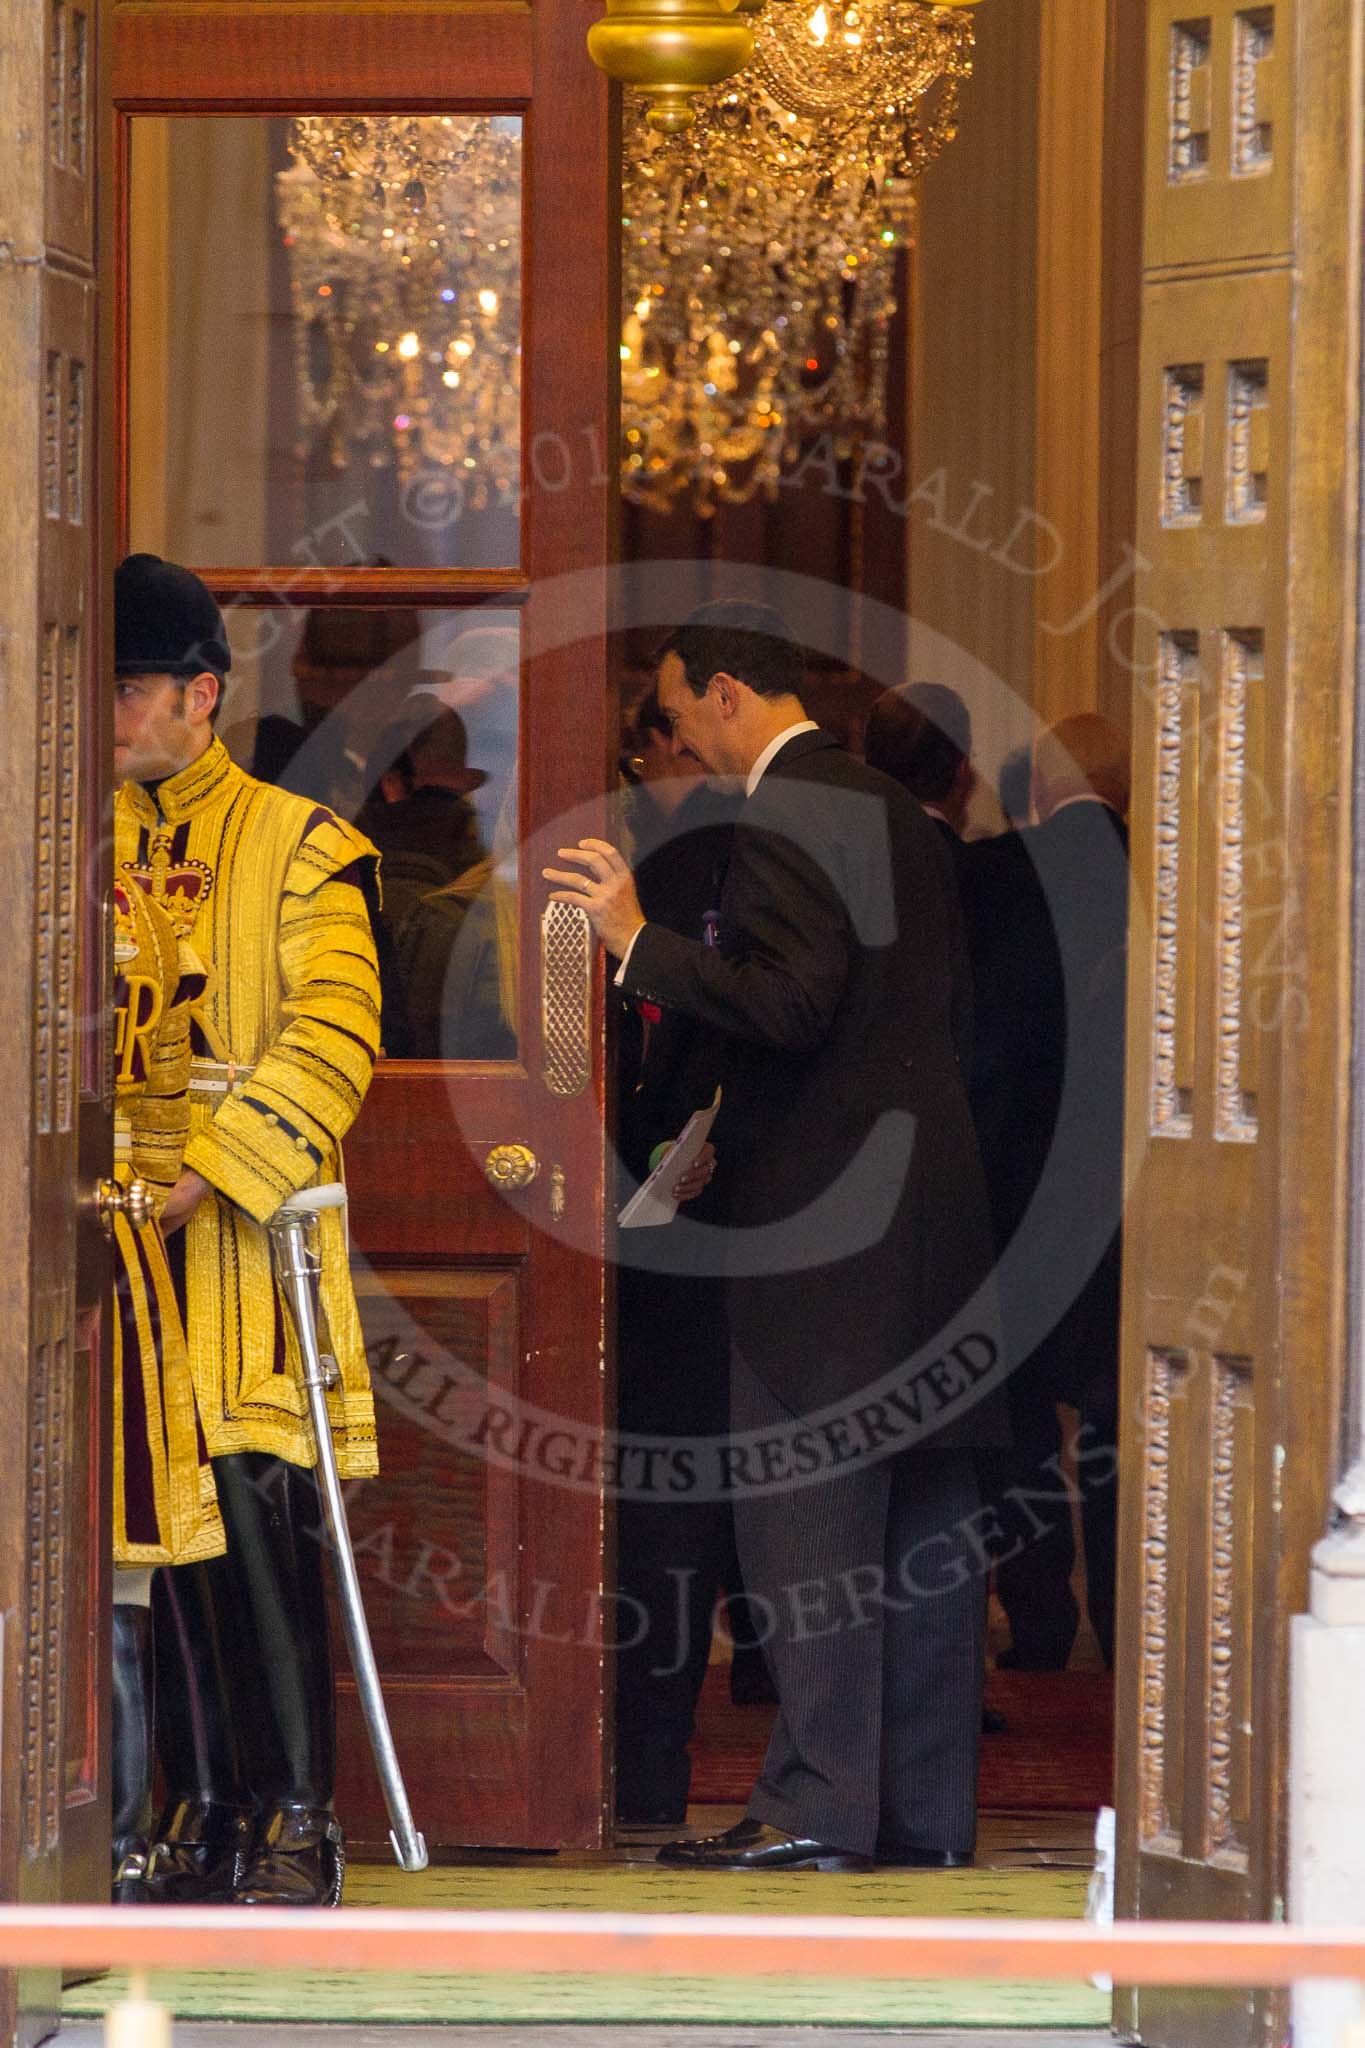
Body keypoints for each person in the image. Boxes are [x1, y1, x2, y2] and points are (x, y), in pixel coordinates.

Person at [547, 600, 1005, 1872]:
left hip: (824, 1242)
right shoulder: (902, 819)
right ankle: (917, 1817)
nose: (676, 732)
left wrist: (636, 940)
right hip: (930, 1222)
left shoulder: (786, 810)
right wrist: (722, 1139)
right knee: (921, 1529)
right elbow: (914, 1019)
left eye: (681, 709)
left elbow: (795, 1004)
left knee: (808, 1522)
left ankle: (811, 1806)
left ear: (733, 694)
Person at [112, 553, 383, 1907]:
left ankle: (295, 1819)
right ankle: (194, 1810)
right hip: (112, 1251)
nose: (104, 715)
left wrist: (213, 1166)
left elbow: (336, 1039)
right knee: (157, 1557)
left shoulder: (299, 842)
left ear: (200, 696)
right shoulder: (72, 842)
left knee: (257, 1532)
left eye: (126, 690)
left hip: (238, 1252)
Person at [968, 713, 1130, 1670]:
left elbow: (980, 1049)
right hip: (1138, 1199)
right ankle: (1125, 1629)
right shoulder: (1179, 874)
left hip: (1019, 1185)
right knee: (1123, 1417)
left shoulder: (994, 878)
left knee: (1021, 1416)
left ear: (1038, 787)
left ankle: (1034, 1624)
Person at [110, 878, 225, 1903]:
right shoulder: (136, 904)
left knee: (110, 1578)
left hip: (97, 1243)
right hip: (113, 1233)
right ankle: (114, 1848)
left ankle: (106, 1846)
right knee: (109, 1580)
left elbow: (161, 1093)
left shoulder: (124, 905)